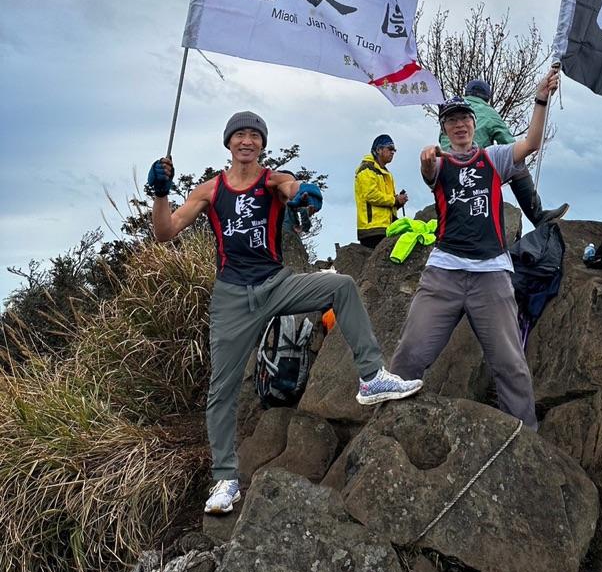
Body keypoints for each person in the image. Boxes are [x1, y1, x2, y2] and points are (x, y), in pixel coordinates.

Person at [149, 112, 422, 515]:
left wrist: (304, 194)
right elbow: (164, 232)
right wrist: (160, 193)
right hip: (231, 297)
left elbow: (293, 188)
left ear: (262, 144)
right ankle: (225, 480)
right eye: (239, 135)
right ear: (228, 142)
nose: (247, 141)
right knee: (221, 390)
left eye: (254, 135)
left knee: (342, 286)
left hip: (276, 283)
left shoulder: (273, 180)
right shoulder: (209, 190)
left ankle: (371, 377)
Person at [390, 68, 561, 430]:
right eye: (451, 121)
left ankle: (525, 439)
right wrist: (425, 161)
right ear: (444, 128)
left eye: (464, 119)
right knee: (409, 354)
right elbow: (429, 170)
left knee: (510, 365)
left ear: (473, 121)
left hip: (491, 275)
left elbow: (531, 143)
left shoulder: (493, 158)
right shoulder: (441, 163)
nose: (460, 125)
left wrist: (541, 99)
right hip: (443, 274)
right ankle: (388, 426)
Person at [439, 78, 568, 227]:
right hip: (475, 173)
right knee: (517, 165)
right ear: (487, 97)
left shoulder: (450, 115)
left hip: (448, 176)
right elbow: (509, 143)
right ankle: (538, 216)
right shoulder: (488, 112)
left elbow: (442, 144)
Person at [354, 134, 409, 249]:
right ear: (378, 150)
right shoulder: (367, 169)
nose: (393, 152)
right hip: (372, 229)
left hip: (385, 228)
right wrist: (395, 200)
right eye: (390, 148)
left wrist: (398, 202)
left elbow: (386, 201)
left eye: (394, 150)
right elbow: (371, 195)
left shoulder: (385, 173)